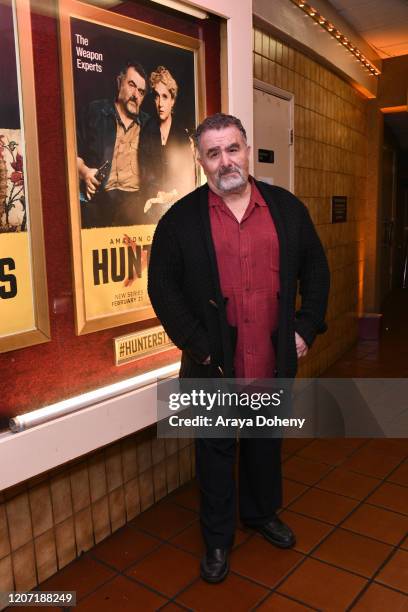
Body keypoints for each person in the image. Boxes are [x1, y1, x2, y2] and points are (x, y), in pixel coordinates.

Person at [148, 113, 330, 583]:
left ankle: (261, 513)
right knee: (214, 453)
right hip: (213, 367)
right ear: (201, 161)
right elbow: (162, 287)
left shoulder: (287, 210)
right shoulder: (180, 221)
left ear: (247, 150)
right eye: (213, 152)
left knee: (264, 445)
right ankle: (216, 540)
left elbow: (316, 270)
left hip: (271, 359)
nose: (225, 160)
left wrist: (306, 327)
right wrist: (198, 345)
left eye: (232, 148)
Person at [76, 60, 152, 228]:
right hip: (100, 199)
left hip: (135, 203)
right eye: (132, 85)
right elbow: (70, 154)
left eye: (141, 91)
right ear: (119, 82)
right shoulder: (93, 112)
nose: (136, 95)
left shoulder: (149, 125)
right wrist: (85, 172)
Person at [139, 65, 196, 222]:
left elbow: (188, 178)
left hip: (178, 202)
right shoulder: (146, 132)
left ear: (172, 101)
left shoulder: (182, 136)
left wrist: (173, 194)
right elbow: (145, 172)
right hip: (153, 204)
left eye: (165, 97)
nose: (160, 104)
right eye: (156, 96)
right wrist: (157, 193)